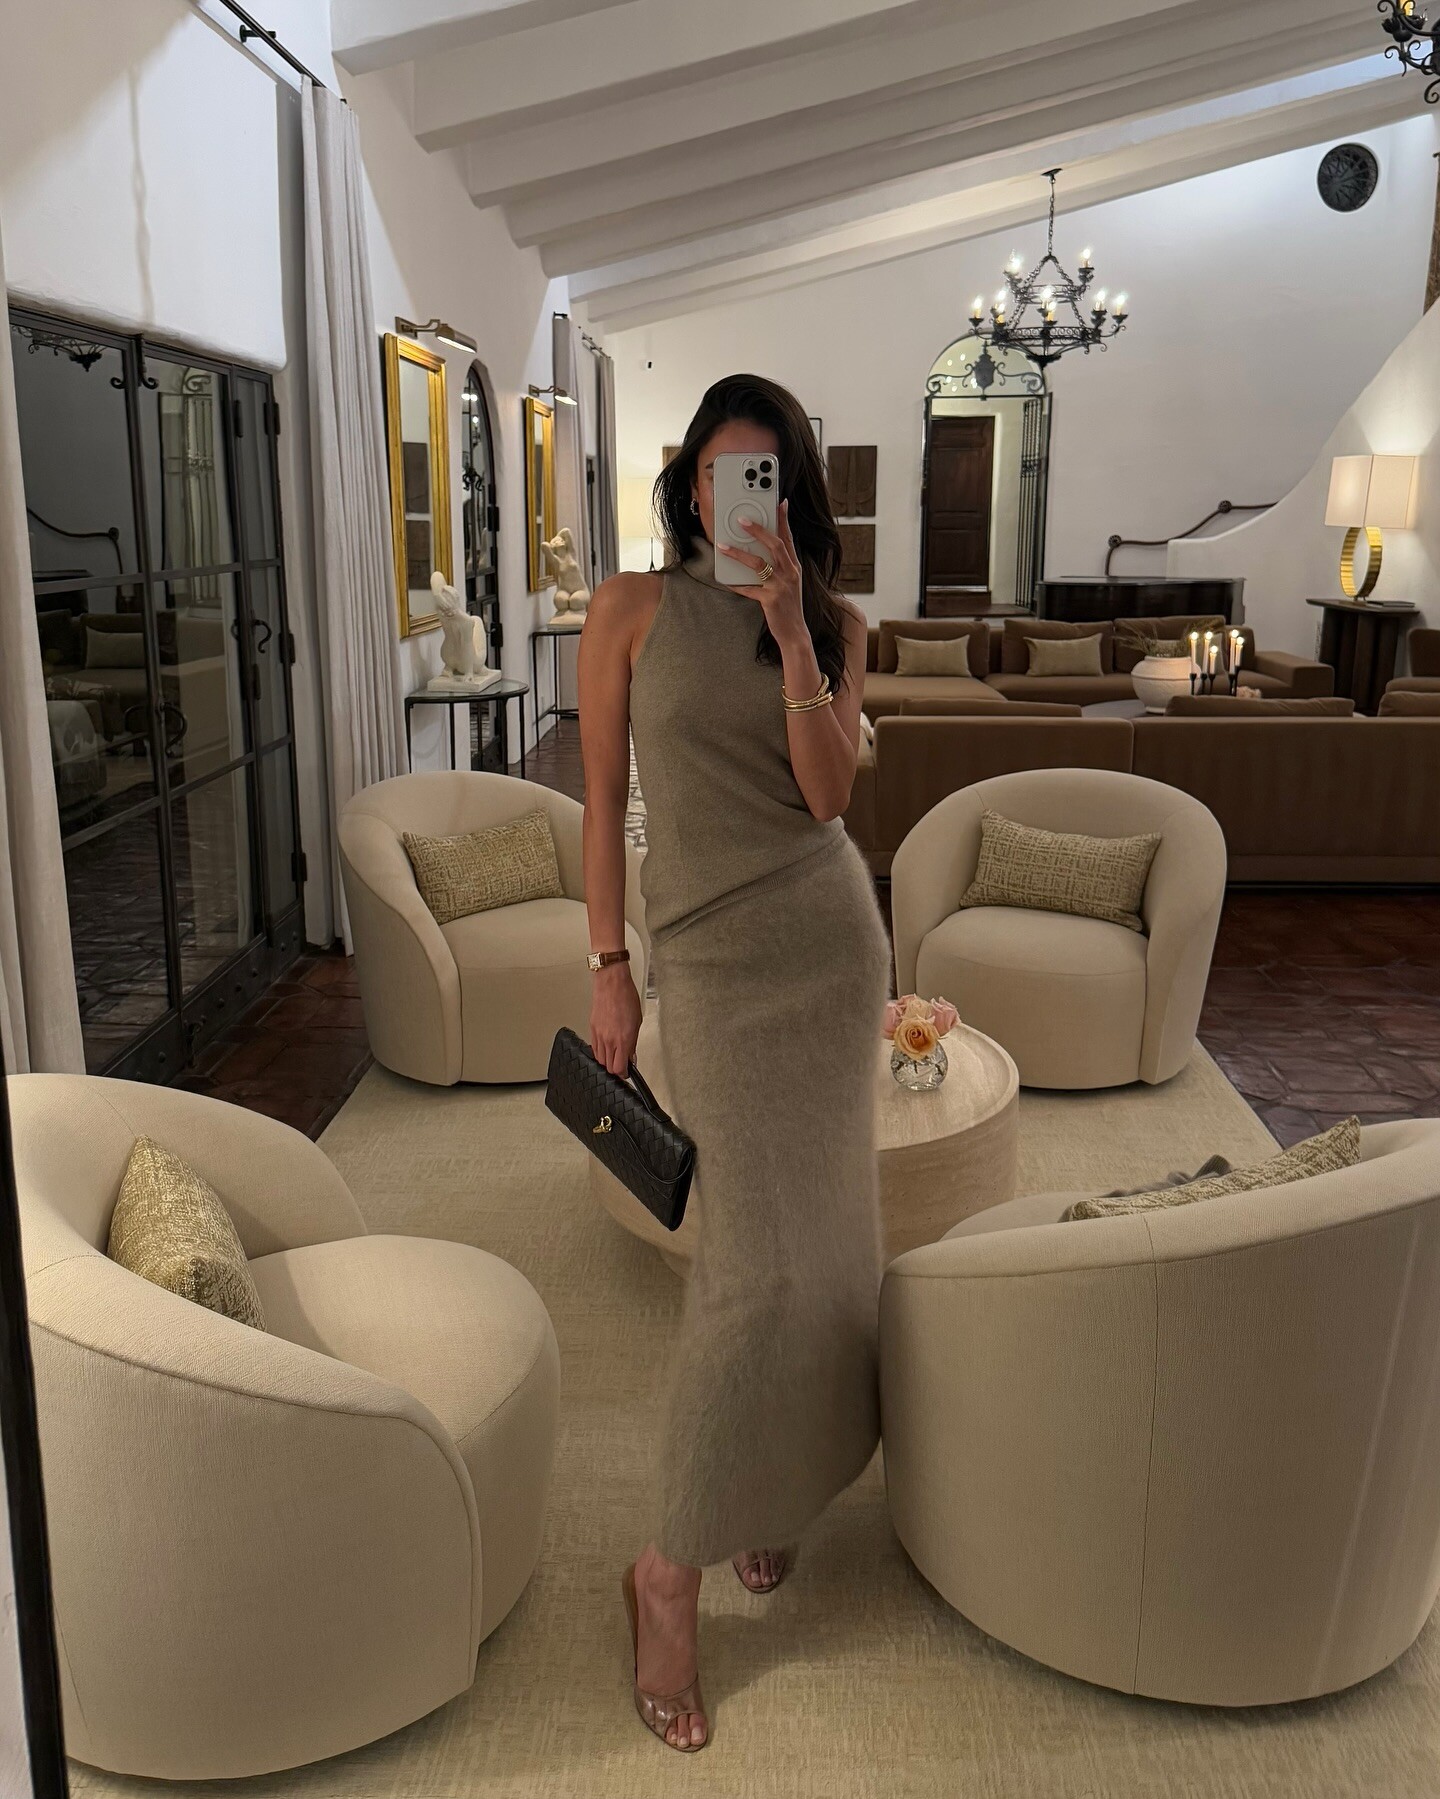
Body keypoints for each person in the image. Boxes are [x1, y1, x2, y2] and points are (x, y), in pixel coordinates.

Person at [577, 373, 890, 1753]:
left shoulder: (835, 624)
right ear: (690, 482)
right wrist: (609, 965)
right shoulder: (628, 610)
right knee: (750, 1268)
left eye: (761, 474)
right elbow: (602, 800)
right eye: (717, 472)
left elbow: (827, 796)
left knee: (825, 1251)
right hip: (705, 964)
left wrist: (793, 630)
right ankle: (668, 1571)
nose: (734, 496)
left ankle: (769, 1492)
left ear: (792, 493)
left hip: (826, 947)